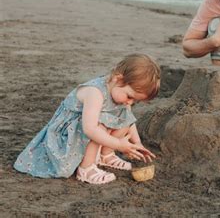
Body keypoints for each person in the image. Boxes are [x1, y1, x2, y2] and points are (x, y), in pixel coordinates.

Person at [14, 54, 160, 184]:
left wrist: (137, 143)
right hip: (69, 134)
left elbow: (128, 120)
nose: (130, 103)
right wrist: (118, 144)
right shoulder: (95, 92)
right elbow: (90, 129)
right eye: (130, 96)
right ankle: (86, 169)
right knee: (100, 125)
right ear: (118, 78)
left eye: (135, 101)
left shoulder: (120, 95)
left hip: (88, 131)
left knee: (123, 115)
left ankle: (106, 155)